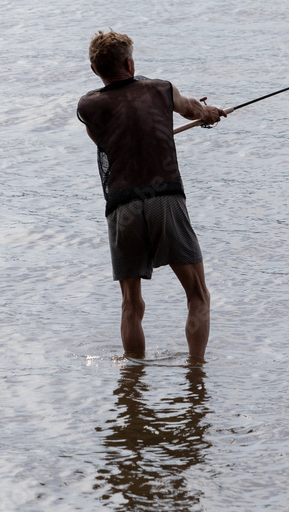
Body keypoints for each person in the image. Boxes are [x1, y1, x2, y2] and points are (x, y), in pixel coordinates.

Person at [76, 30, 226, 361]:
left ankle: (134, 376)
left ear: (94, 70)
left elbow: (104, 138)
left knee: (132, 303)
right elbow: (192, 110)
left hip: (122, 208)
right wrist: (209, 113)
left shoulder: (88, 106)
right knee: (197, 294)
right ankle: (196, 372)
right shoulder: (160, 89)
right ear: (130, 62)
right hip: (165, 199)